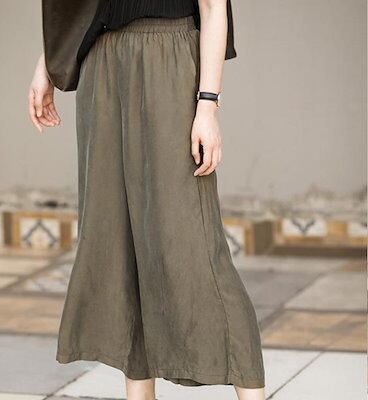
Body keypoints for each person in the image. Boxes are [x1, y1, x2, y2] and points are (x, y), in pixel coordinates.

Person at [28, 1, 266, 399]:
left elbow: (213, 9)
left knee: (192, 244)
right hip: (101, 61)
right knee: (118, 241)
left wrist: (207, 104)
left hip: (168, 56)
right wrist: (46, 63)